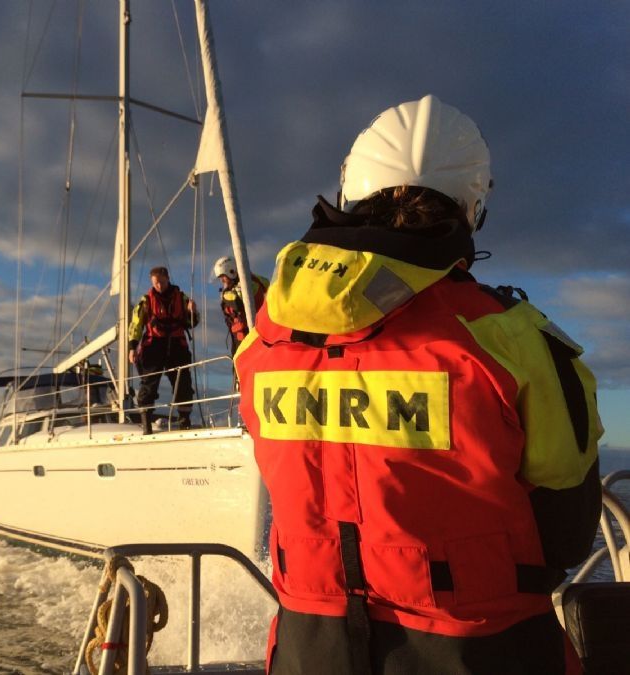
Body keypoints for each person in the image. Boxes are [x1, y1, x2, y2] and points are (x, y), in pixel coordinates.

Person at [234, 95, 602, 674]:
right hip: (480, 650)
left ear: (353, 188)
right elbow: (567, 535)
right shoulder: (515, 340)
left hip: (308, 647)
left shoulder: (262, 342)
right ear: (470, 207)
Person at [129, 266, 199, 433]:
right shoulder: (146, 301)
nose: (158, 285)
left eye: (161, 282)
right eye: (155, 283)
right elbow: (136, 325)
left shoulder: (182, 298)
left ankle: (184, 421)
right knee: (149, 384)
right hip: (154, 346)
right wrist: (132, 347)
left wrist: (192, 312)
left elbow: (191, 323)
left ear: (167, 279)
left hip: (177, 345)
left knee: (183, 383)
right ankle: (146, 424)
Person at [212, 255, 269, 355]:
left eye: (223, 276)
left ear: (231, 271)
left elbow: (237, 303)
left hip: (247, 338)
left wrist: (224, 294)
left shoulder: (244, 287)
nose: (222, 281)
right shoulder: (256, 281)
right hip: (251, 336)